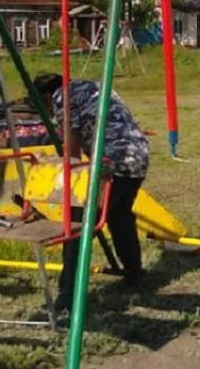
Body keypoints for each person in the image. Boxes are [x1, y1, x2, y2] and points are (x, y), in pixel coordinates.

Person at [32, 73, 149, 312]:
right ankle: (134, 273)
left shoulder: (62, 97)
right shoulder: (94, 86)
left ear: (45, 96)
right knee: (119, 216)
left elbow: (72, 152)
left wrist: (61, 178)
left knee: (78, 224)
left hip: (110, 162)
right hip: (137, 155)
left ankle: (68, 296)